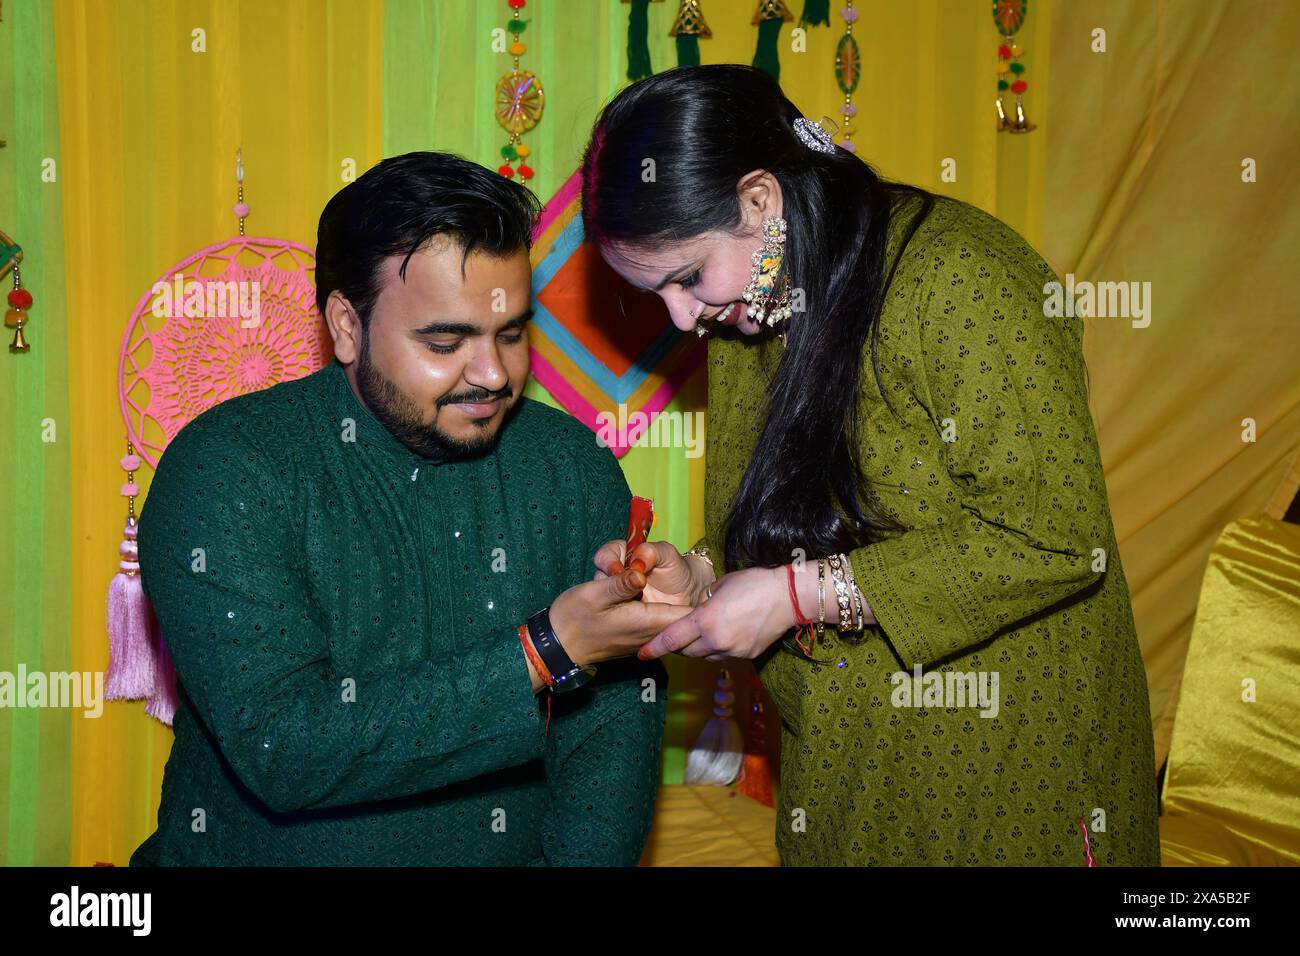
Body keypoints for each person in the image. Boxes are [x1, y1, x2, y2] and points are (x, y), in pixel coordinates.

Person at [583, 65, 1161, 866]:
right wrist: (701, 576)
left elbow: (1057, 535)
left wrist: (797, 594)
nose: (683, 317)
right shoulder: (752, 308)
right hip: (851, 763)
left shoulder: (962, 277)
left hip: (1015, 764)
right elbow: (775, 531)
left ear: (761, 199)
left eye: (686, 276)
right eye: (656, 295)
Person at [130, 151, 685, 866]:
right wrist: (544, 651)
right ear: (345, 325)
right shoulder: (228, 469)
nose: (493, 375)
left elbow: (609, 736)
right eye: (445, 341)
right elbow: (284, 747)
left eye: (512, 333)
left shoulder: (570, 467)